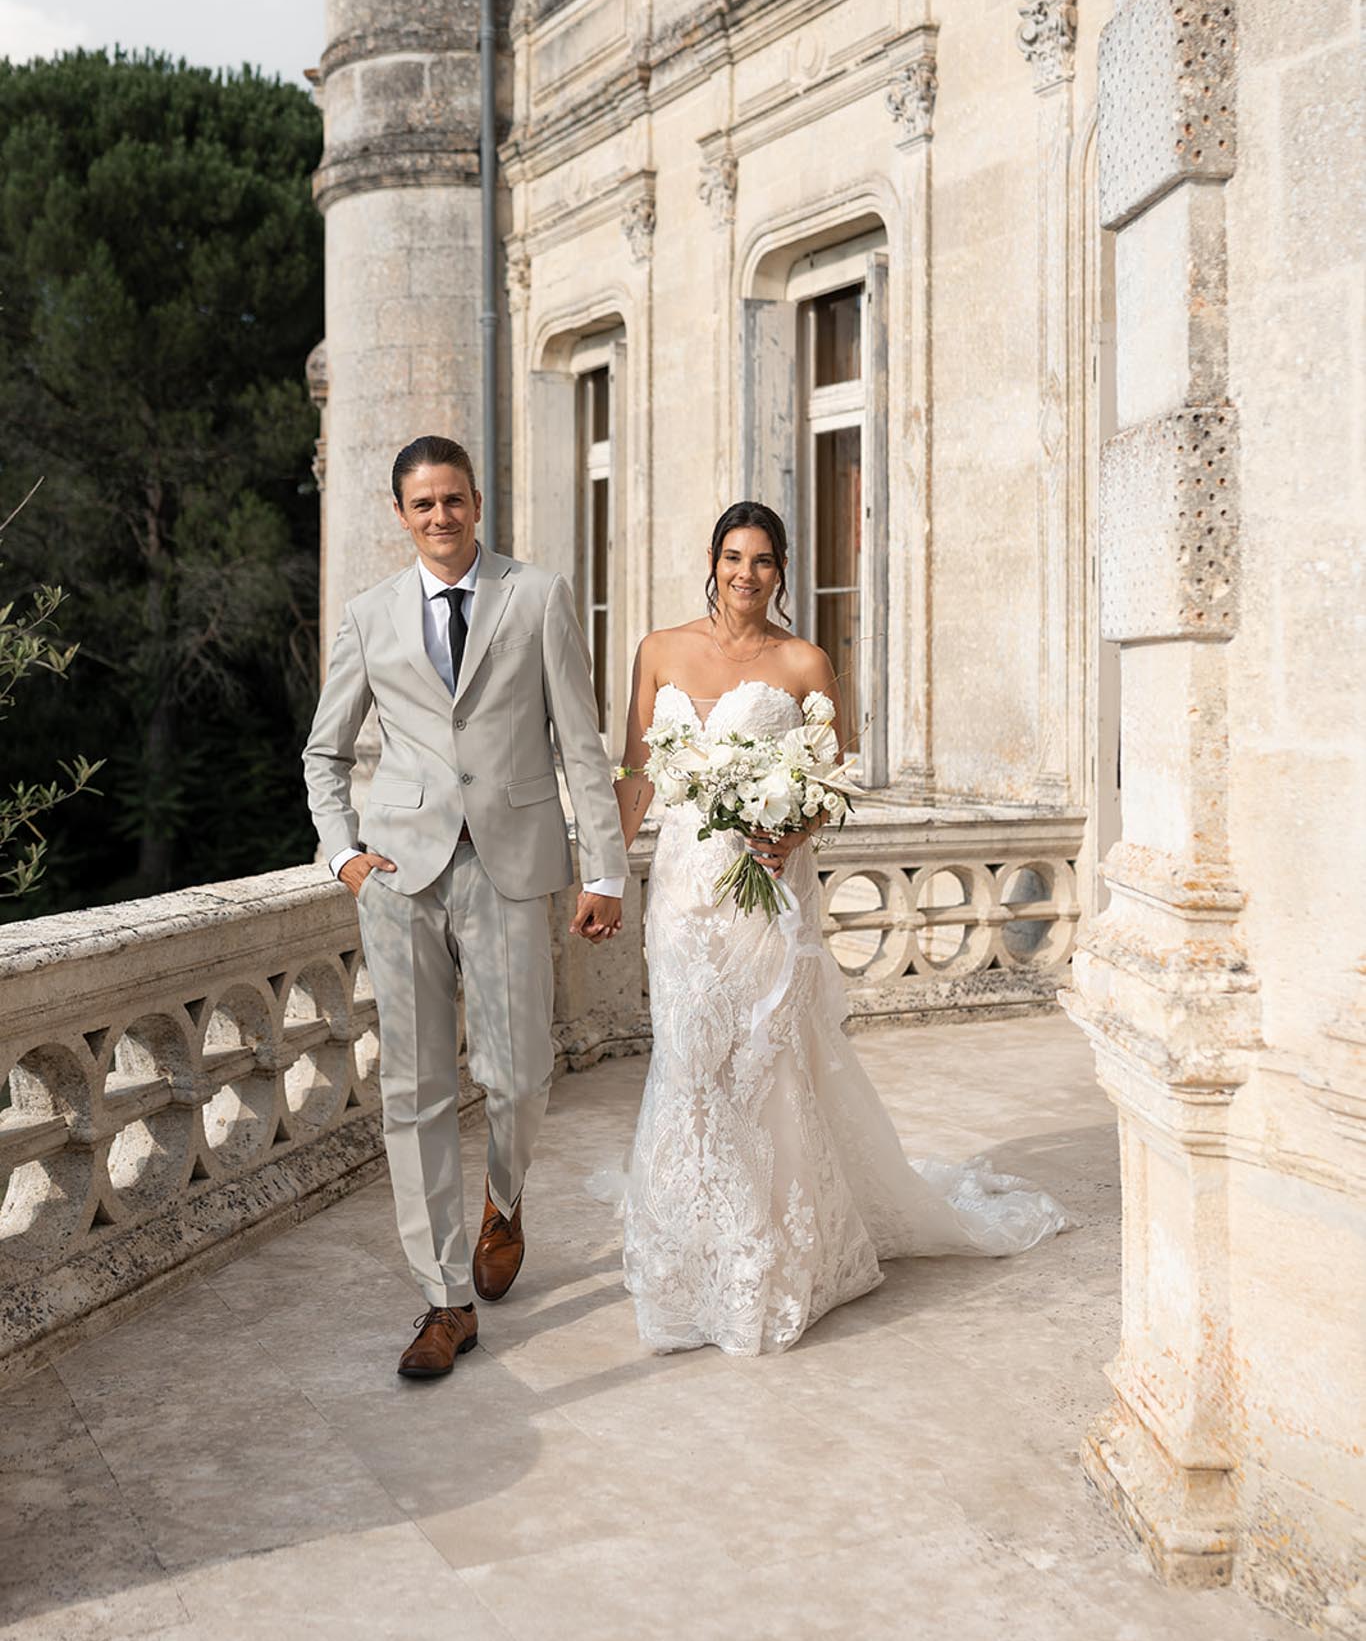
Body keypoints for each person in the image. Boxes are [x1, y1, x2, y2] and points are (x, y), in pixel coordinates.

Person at [607, 500, 1071, 1357]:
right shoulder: (660, 649)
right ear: (711, 562)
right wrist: (606, 874)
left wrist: (791, 831)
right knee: (686, 1053)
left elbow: (834, 773)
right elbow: (638, 765)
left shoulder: (804, 661)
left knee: (762, 1059)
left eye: (764, 561)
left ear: (781, 572)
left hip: (768, 888)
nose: (747, 575)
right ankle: (694, 1249)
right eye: (734, 557)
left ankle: (771, 1256)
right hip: (681, 890)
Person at [303, 436, 626, 1379]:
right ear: (399, 515)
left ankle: (504, 1194)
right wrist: (342, 857)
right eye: (422, 504)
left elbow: (581, 742)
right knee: (413, 1093)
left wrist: (603, 868)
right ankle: (444, 1302)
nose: (440, 517)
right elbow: (325, 754)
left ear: (477, 503)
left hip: (514, 864)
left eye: (453, 500)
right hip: (400, 875)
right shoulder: (368, 616)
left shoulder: (538, 596)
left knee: (520, 1074)